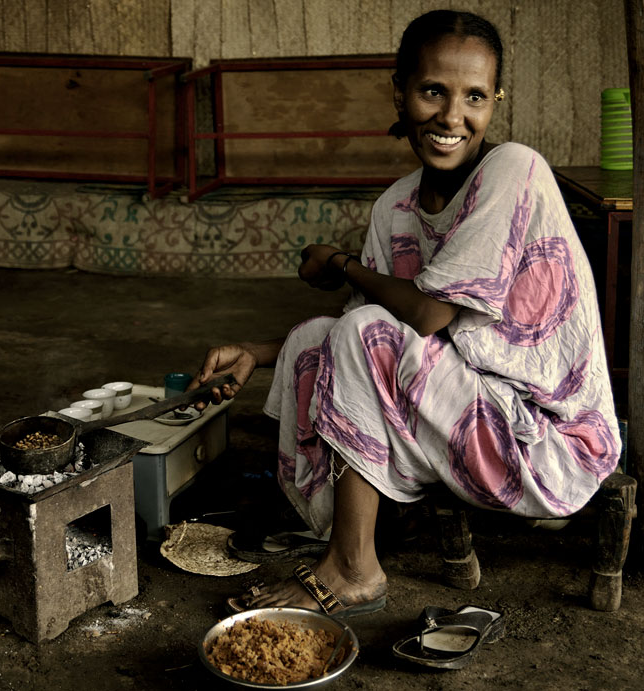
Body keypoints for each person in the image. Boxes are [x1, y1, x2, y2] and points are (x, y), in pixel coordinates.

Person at [187, 9, 621, 617]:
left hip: (544, 439)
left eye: (475, 96)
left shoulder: (514, 169)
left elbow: (424, 316)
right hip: (466, 415)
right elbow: (351, 335)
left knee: (364, 333)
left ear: (496, 100)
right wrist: (257, 357)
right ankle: (354, 533)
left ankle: (352, 569)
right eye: (432, 92)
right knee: (320, 336)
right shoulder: (395, 206)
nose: (452, 117)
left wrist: (340, 262)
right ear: (400, 91)